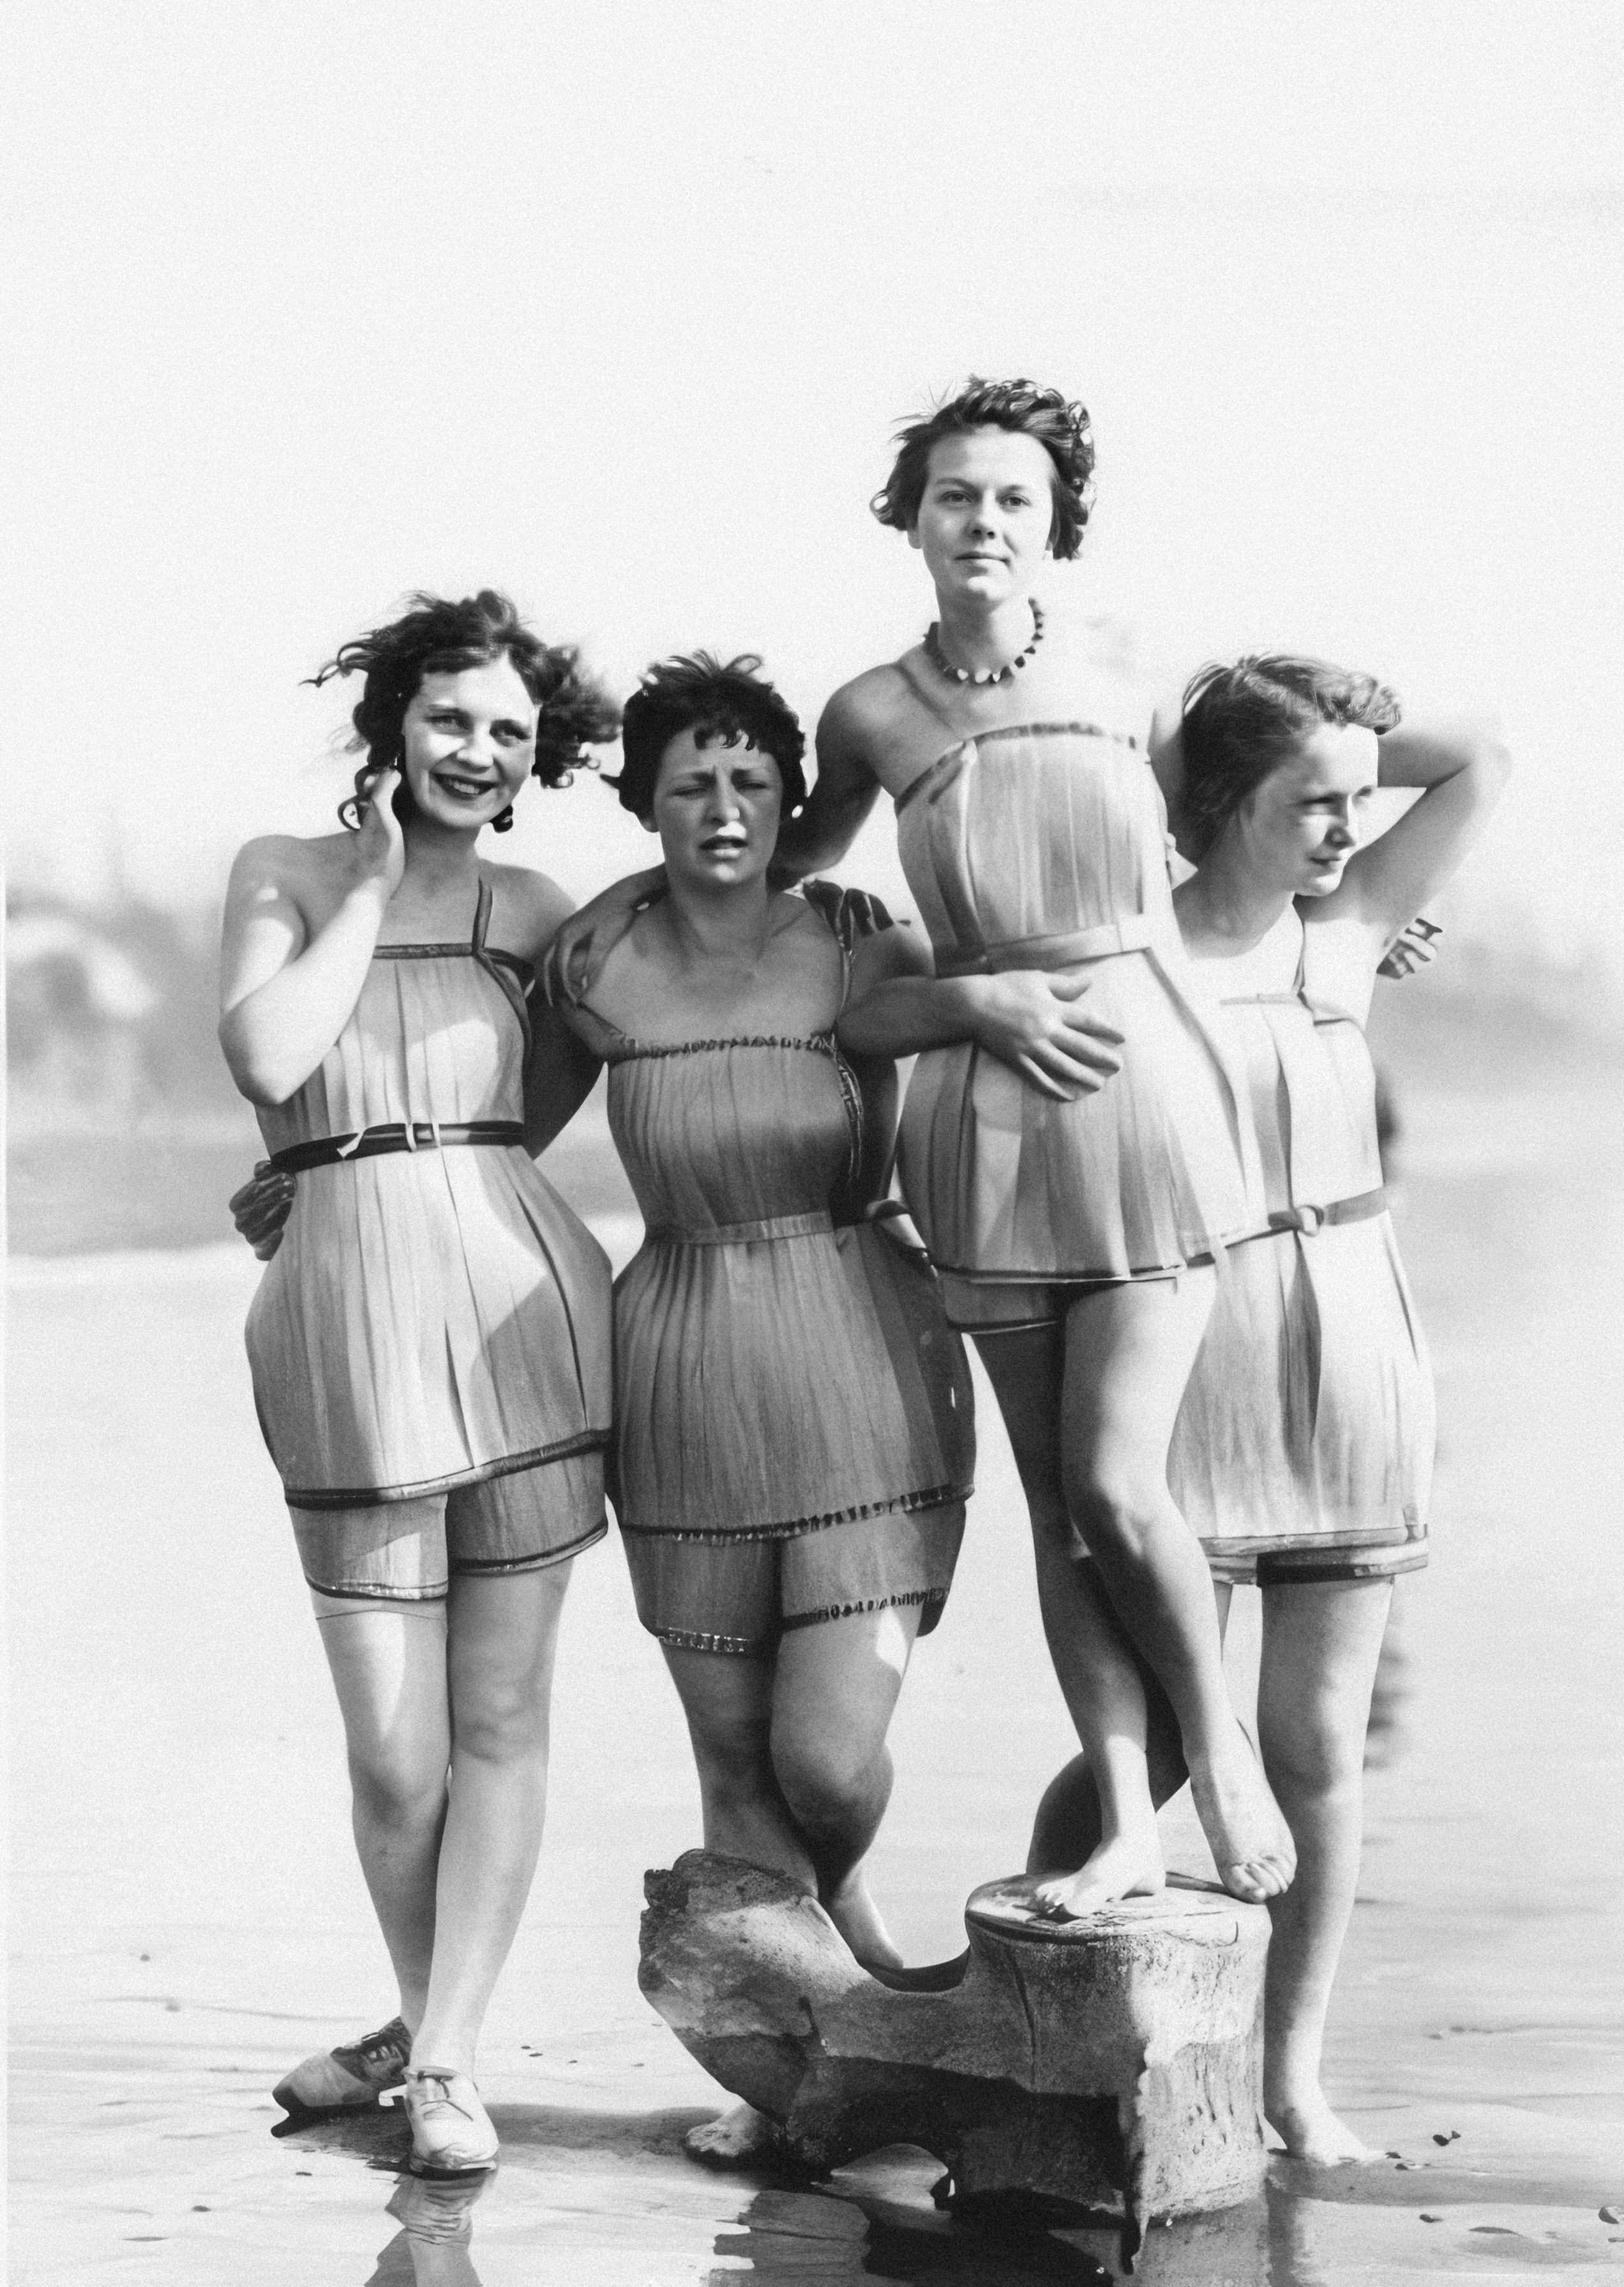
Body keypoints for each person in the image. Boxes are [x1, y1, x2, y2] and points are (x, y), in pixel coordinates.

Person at [1026, 654, 1509, 2161]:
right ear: (1224, 801)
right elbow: (1146, 734)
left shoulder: (1350, 931)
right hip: (1185, 1344)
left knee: (1315, 1737)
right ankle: (1039, 2018)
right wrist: (1215, 708)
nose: (1350, 829)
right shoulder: (1123, 951)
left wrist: (1318, 710)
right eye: (1314, 802)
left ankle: (1292, 2080)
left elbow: (1482, 751)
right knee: (1164, 1748)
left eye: (1362, 801)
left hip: (1354, 1335)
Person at [218, 591, 618, 2177]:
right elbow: (267, 1058)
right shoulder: (288, 872)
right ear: (394, 724)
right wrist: (376, 886)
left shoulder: (541, 907)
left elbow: (571, 1081)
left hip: (525, 1311)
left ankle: (444, 2057)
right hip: (343, 1325)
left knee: (504, 1713)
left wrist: (453, 1169)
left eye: (511, 733)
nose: (479, 750)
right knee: (396, 1750)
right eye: (453, 719)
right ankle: (416, 2015)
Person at [559, 652, 975, 2164]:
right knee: (732, 1757)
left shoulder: (866, 946)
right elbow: (492, 1117)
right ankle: (807, 2083)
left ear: (797, 799)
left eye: (750, 781)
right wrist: (322, 1173)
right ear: (644, 804)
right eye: (689, 784)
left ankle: (846, 1924)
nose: (723, 808)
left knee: (824, 1759)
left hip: (859, 1352)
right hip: (677, 1365)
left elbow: (1038, 1006)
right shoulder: (596, 965)